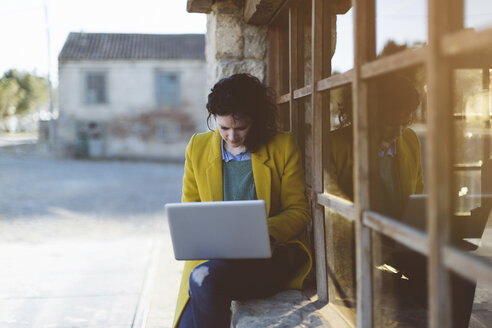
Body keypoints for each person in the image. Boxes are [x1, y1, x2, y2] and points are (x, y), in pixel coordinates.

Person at [329, 74, 475, 328]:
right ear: (366, 115)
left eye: (405, 122)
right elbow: (333, 217)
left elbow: (416, 195)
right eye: (389, 123)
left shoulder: (409, 141)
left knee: (462, 267)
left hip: (403, 238)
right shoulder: (335, 146)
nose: (398, 132)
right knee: (422, 286)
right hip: (360, 245)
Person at [172, 73, 312, 328]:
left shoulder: (283, 146)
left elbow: (299, 210)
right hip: (215, 260)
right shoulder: (197, 147)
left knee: (204, 280)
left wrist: (263, 233)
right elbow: (190, 210)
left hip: (272, 256)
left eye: (241, 127)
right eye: (224, 128)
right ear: (214, 119)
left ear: (256, 120)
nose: (232, 136)